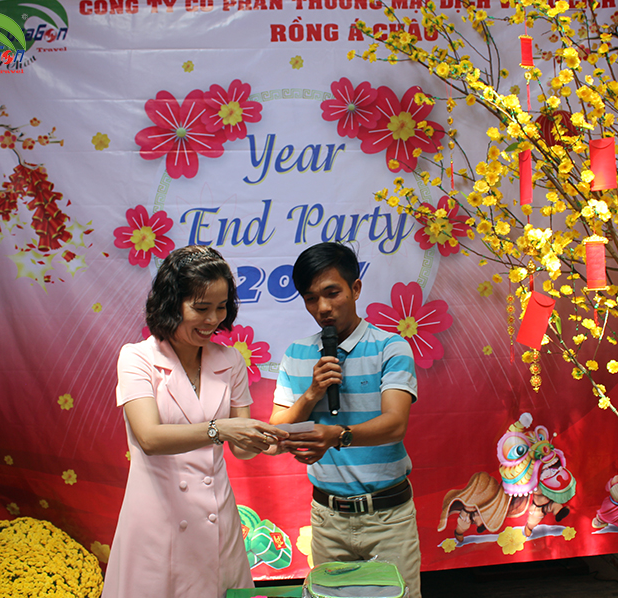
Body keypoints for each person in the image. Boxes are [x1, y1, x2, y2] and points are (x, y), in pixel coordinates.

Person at [103, 246, 287, 598]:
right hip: (158, 520)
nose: (213, 319)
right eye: (201, 308)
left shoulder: (230, 360)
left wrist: (267, 440)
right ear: (171, 304)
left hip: (217, 519)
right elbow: (149, 438)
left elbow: (241, 449)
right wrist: (220, 429)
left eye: (222, 307)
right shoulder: (137, 358)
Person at [270, 242, 422, 598]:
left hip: (388, 517)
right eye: (310, 299)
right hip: (327, 518)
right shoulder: (296, 354)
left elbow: (395, 423)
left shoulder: (390, 347)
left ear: (355, 288)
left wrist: (336, 436)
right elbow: (276, 432)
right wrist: (311, 394)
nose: (322, 308)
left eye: (332, 293)